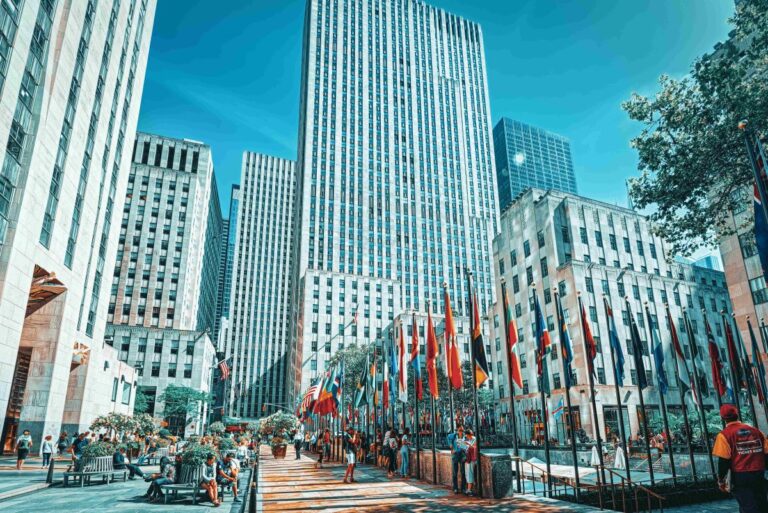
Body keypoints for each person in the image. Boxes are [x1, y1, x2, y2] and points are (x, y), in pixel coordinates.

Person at [712, 404, 768, 513]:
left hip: (740, 476)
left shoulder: (724, 435)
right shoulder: (756, 431)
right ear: (737, 414)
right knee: (762, 505)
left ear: (723, 418)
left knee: (748, 506)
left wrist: (721, 480)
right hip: (759, 473)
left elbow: (723, 461)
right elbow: (766, 453)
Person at [447, 425, 466, 494]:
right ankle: (455, 488)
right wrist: (451, 446)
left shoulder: (465, 436)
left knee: (463, 472)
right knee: (455, 472)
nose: (461, 432)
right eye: (460, 430)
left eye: (462, 430)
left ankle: (463, 488)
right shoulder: (454, 436)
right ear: (457, 430)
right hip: (455, 454)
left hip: (463, 454)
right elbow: (448, 437)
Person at [464, 429, 478, 496]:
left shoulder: (474, 439)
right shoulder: (469, 439)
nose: (467, 437)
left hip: (472, 459)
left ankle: (469, 490)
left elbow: (474, 447)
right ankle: (468, 489)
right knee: (468, 473)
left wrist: (468, 444)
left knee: (470, 473)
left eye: (467, 435)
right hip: (468, 458)